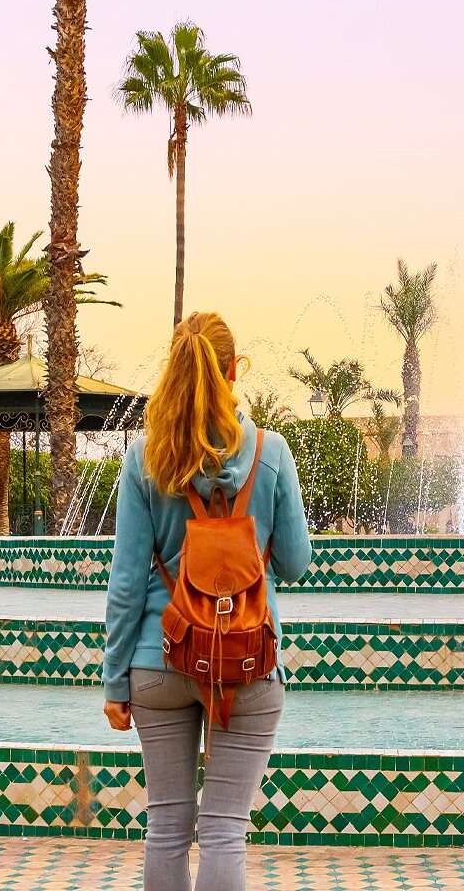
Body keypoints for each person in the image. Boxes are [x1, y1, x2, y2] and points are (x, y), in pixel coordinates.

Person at [102, 312, 312, 891]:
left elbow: (125, 583)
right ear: (232, 370)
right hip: (247, 662)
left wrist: (114, 682)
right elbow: (296, 565)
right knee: (224, 832)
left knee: (167, 828)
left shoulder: (147, 456)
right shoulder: (272, 453)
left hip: (158, 659)